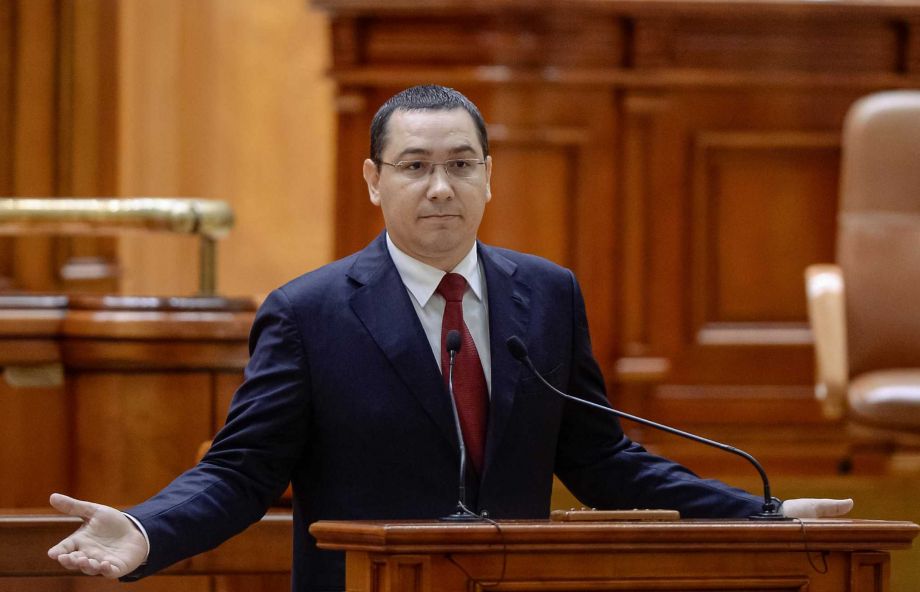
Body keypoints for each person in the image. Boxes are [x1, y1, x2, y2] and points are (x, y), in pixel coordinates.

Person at [47, 85, 853, 591]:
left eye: (463, 164)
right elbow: (241, 471)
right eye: (415, 166)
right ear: (374, 179)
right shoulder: (309, 312)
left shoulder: (547, 294)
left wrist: (765, 516)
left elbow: (604, 462)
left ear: (490, 176)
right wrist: (146, 528)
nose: (441, 187)